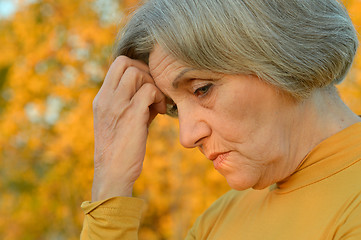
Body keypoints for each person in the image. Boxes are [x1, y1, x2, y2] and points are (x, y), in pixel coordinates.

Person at [80, 0, 361, 239]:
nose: (186, 137)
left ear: (282, 55)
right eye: (176, 106)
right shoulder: (216, 222)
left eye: (202, 89)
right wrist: (111, 184)